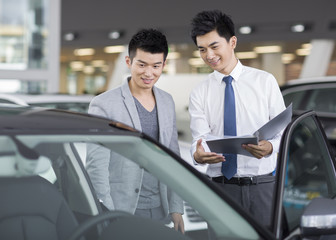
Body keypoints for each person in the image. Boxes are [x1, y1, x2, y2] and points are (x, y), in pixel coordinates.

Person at [189, 10, 286, 228]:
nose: (209, 55)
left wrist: (270, 147)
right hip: (220, 189)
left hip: (262, 186)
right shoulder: (199, 92)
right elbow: (200, 138)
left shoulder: (265, 82)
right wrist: (198, 155)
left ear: (232, 42)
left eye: (214, 47)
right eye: (202, 50)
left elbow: (284, 132)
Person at [86, 29, 184, 233]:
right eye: (142, 65)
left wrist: (176, 207)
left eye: (156, 66)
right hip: (123, 209)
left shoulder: (166, 101)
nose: (149, 73)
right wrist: (107, 212)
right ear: (129, 62)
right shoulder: (104, 104)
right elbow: (97, 164)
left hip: (160, 208)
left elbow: (173, 157)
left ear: (164, 65)